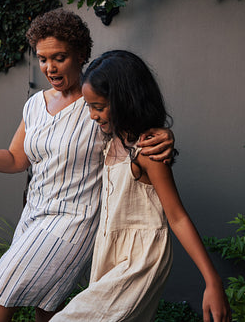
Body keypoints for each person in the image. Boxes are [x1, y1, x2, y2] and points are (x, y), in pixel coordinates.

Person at [0, 9, 174, 322]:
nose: (49, 67)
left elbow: (135, 129)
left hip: (72, 223)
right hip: (32, 218)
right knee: (47, 312)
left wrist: (163, 133)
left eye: (59, 57)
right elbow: (15, 160)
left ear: (80, 55)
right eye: (42, 58)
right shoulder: (35, 104)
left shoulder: (98, 105)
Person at [51, 50, 231, 322]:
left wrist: (212, 281)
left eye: (98, 107)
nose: (91, 115)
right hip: (110, 251)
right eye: (89, 106)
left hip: (140, 259)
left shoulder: (146, 152)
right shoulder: (110, 141)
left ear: (125, 101)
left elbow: (177, 216)